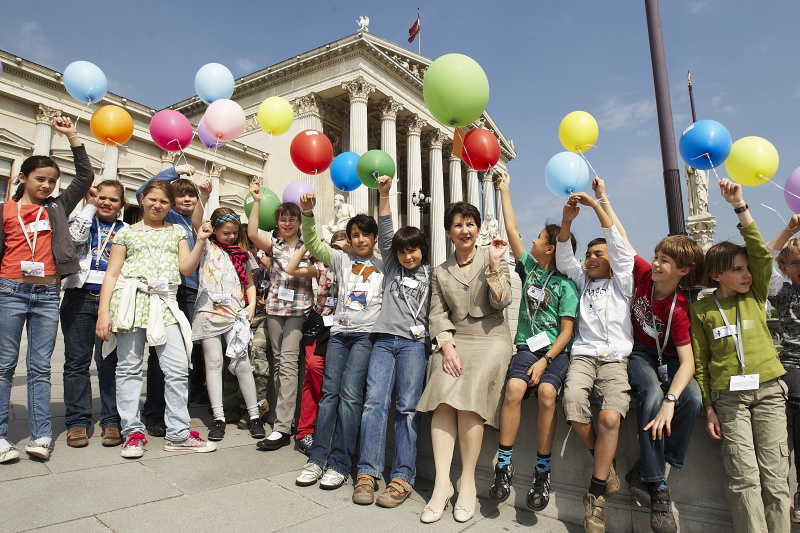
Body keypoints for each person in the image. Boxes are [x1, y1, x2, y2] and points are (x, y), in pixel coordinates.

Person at [588, 178, 704, 533]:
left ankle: (646, 470)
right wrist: (602, 199)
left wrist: (674, 399)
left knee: (694, 399)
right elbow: (619, 239)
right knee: (651, 395)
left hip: (668, 359)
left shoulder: (680, 308)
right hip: (640, 354)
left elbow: (687, 364)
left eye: (664, 261)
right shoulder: (641, 274)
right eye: (656, 256)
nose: (655, 263)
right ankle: (658, 488)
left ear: (683, 271)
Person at [691, 179, 790, 533]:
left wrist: (739, 206)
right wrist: (709, 407)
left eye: (747, 268)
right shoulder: (701, 310)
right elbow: (701, 363)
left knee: (776, 478)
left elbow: (763, 255)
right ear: (716, 274)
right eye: (737, 269)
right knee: (743, 478)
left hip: (769, 392)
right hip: (729, 398)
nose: (747, 273)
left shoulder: (756, 292)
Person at [96, 180, 215, 458]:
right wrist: (103, 313)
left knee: (176, 368)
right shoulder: (125, 233)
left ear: (169, 205)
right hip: (131, 303)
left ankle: (178, 433)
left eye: (163, 201)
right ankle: (132, 433)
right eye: (152, 199)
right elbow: (111, 275)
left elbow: (186, 267)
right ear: (142, 199)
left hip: (165, 303)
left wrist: (200, 241)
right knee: (128, 368)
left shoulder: (177, 232)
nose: (157, 205)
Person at [0, 116, 93, 463]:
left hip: (46, 293)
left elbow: (85, 177)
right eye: (40, 179)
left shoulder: (56, 207)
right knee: (4, 364)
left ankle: (40, 435)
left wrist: (72, 137)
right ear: (23, 178)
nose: (47, 186)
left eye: (52, 181)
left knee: (39, 366)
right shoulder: (6, 210)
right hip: (10, 288)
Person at [415, 202, 513, 524]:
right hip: (457, 340)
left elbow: (503, 301)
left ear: (478, 229)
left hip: (491, 338)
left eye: (470, 224)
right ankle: (442, 483)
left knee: (470, 397)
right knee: (443, 391)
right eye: (458, 225)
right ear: (448, 232)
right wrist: (446, 346)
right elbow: (437, 314)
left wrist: (495, 266)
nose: (465, 230)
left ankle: (467, 480)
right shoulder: (440, 271)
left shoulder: (493, 256)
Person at [489, 171, 579, 513]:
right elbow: (512, 230)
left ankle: (542, 471)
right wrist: (505, 190)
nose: (532, 241)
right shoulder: (529, 268)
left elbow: (567, 332)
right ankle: (504, 465)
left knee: (546, 394)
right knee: (513, 390)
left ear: (551, 248)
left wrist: (546, 360)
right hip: (527, 348)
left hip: (554, 353)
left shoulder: (566, 285)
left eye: (539, 238)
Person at [351, 176, 433, 508]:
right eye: (401, 251)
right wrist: (384, 195)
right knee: (374, 405)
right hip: (384, 341)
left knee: (407, 410)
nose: (406, 255)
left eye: (412, 249)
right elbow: (386, 229)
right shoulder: (391, 268)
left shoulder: (433, 275)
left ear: (422, 250)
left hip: (415, 346)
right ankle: (367, 474)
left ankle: (402, 478)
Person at [294, 192, 385, 491]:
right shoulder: (341, 259)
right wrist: (308, 215)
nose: (359, 240)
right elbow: (313, 244)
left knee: (349, 397)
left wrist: (384, 196)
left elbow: (390, 231)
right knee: (329, 394)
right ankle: (317, 459)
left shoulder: (385, 266)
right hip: (338, 335)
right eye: (354, 235)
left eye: (365, 235)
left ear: (374, 238)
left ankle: (340, 463)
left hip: (364, 337)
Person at [556, 192, 635, 533]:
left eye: (597, 254)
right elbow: (563, 258)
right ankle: (605, 462)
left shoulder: (624, 282)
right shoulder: (582, 281)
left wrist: (598, 205)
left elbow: (619, 245)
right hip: (584, 356)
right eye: (588, 254)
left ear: (611, 260)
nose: (589, 258)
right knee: (572, 402)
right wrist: (567, 222)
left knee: (609, 417)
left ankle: (597, 495)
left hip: (616, 360)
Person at [183, 193, 264, 442]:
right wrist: (203, 196)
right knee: (214, 362)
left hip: (234, 313)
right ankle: (218, 418)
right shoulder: (207, 246)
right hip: (208, 312)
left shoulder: (243, 254)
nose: (229, 236)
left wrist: (250, 306)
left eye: (233, 232)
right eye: (225, 232)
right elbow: (197, 220)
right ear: (215, 231)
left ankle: (254, 415)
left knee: (241, 363)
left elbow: (249, 282)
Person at [248, 183, 318, 451]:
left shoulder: (308, 244)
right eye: (283, 219)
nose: (287, 223)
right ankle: (287, 419)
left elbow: (316, 270)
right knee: (278, 363)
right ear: (277, 222)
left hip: (299, 310)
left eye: (292, 218)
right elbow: (252, 232)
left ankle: (282, 427)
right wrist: (256, 202)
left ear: (299, 222)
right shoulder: (274, 245)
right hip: (275, 308)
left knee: (288, 362)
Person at [61, 180, 128, 448]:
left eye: (113, 199)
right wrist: (87, 206)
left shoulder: (126, 231)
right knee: (76, 363)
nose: (106, 202)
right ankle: (77, 422)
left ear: (122, 205)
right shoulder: (84, 221)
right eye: (101, 197)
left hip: (110, 300)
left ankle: (111, 421)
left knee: (108, 363)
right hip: (78, 296)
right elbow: (73, 239)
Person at [135, 164, 200, 438]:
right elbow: (144, 191)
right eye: (181, 196)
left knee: (187, 352)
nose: (186, 200)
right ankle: (153, 411)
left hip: (196, 290)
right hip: (170, 291)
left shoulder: (199, 220)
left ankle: (180, 407)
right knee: (159, 351)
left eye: (191, 196)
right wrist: (175, 170)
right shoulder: (168, 216)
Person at [286, 230, 347, 456]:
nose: (336, 253)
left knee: (321, 375)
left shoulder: (352, 268)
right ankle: (305, 432)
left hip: (342, 325)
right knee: (311, 372)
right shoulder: (321, 267)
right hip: (319, 323)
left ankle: (326, 425)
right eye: (334, 248)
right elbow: (290, 269)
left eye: (342, 248)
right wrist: (307, 246)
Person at [766, 216, 800, 523]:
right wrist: (789, 229)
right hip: (794, 364)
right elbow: (762, 257)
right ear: (784, 267)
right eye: (795, 263)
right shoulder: (784, 293)